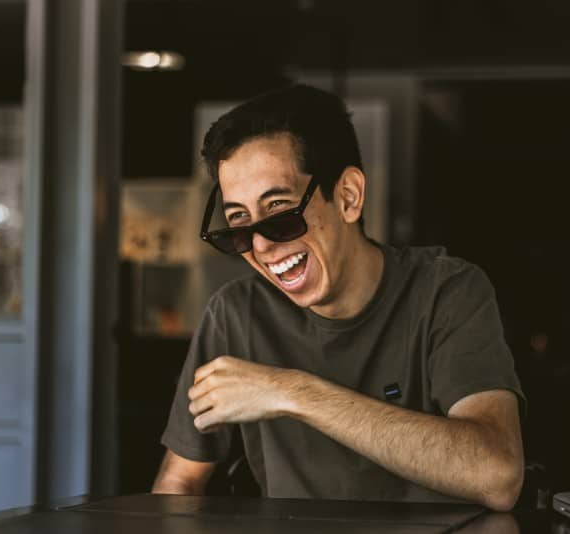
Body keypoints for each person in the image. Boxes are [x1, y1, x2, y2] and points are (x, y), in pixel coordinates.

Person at [152, 84, 526, 511]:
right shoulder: (236, 314)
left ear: (348, 197)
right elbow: (180, 481)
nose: (260, 246)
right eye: (239, 222)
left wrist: (290, 392)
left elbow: (497, 476)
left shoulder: (446, 291)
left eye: (279, 212)